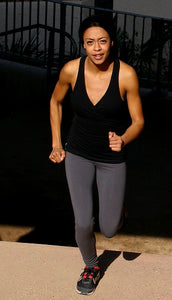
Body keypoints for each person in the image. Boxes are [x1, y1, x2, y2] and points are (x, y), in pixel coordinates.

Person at [49, 14, 144, 296]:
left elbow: (138, 120)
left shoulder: (126, 75)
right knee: (82, 221)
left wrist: (124, 138)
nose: (97, 48)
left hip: (111, 159)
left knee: (110, 228)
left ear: (111, 42)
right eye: (90, 42)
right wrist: (56, 143)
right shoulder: (71, 71)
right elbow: (55, 102)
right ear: (83, 45)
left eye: (102, 41)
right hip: (78, 152)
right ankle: (91, 266)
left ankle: (118, 214)